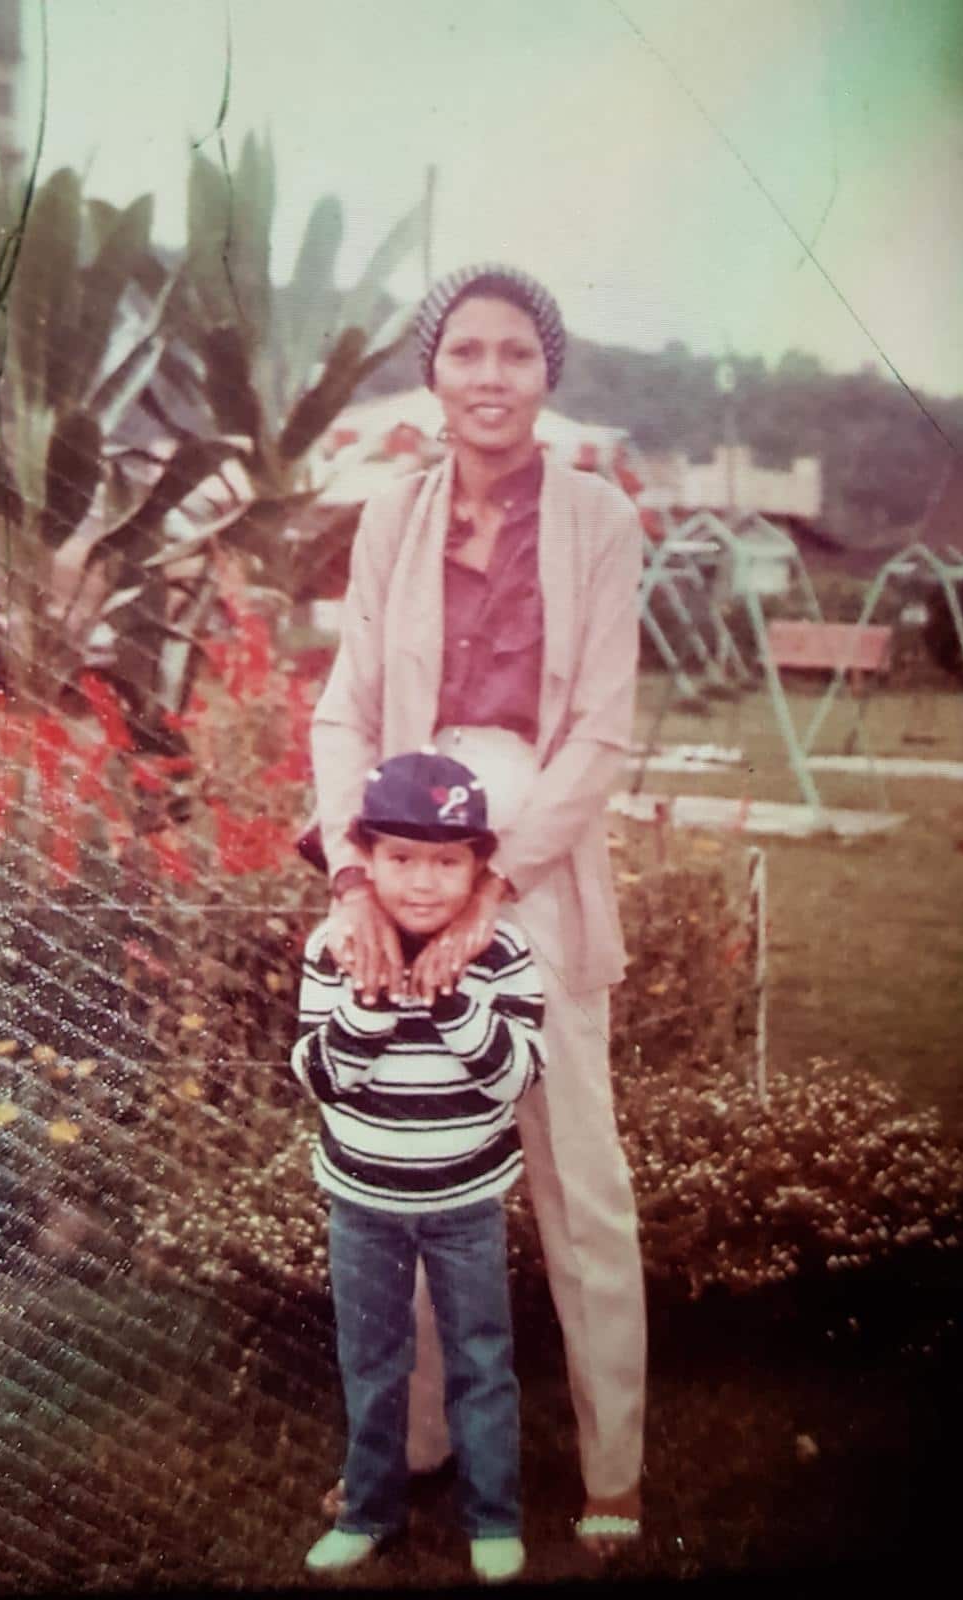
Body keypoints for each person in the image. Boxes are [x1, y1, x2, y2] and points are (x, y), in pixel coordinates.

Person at [310, 262, 648, 1559]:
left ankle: (613, 1476)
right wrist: (358, 879)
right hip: (401, 875)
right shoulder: (391, 516)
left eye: (516, 353)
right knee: (415, 1161)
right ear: (432, 372)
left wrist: (494, 886)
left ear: (547, 371)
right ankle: (418, 1451)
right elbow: (345, 709)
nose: (492, 376)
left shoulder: (598, 518)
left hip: (539, 878)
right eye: (468, 352)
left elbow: (602, 736)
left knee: (579, 1182)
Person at [294, 750, 545, 1584]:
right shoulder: (336, 947)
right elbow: (319, 1079)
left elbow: (517, 1077)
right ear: (365, 858)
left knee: (479, 1357)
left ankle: (493, 1517)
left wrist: (453, 1005)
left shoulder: (501, 954)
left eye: (447, 862)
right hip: (361, 1199)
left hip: (466, 1198)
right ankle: (369, 1511)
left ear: (478, 867)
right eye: (400, 858)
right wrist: (367, 1009)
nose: (424, 883)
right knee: (372, 1360)